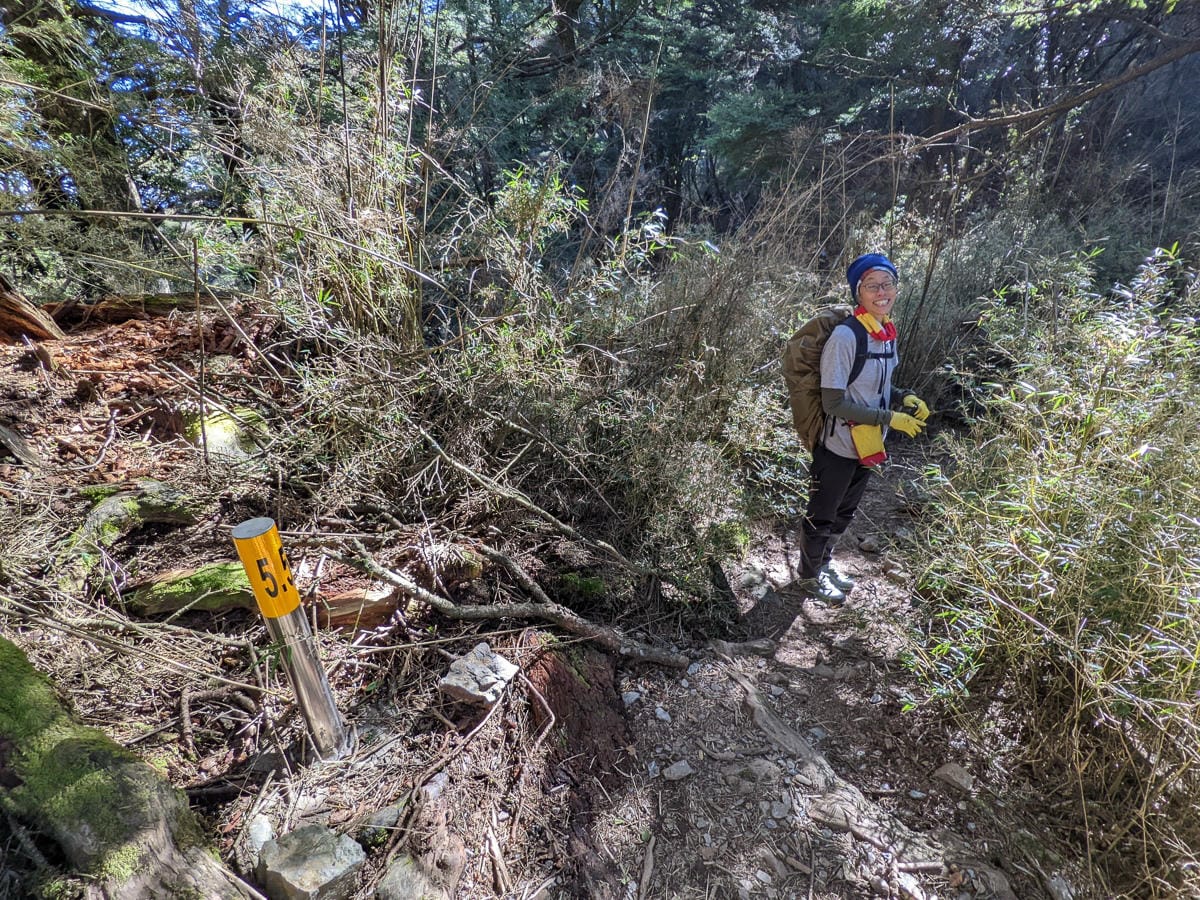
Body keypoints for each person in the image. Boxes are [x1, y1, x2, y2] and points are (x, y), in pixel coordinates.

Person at [798, 252, 930, 603]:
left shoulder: (885, 333)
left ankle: (824, 563)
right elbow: (834, 403)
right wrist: (890, 419)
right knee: (823, 513)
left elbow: (878, 385)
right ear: (859, 292)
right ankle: (809, 577)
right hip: (839, 443)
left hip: (868, 442)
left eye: (887, 284)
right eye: (872, 285)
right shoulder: (846, 337)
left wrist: (905, 397)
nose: (882, 291)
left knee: (845, 512)